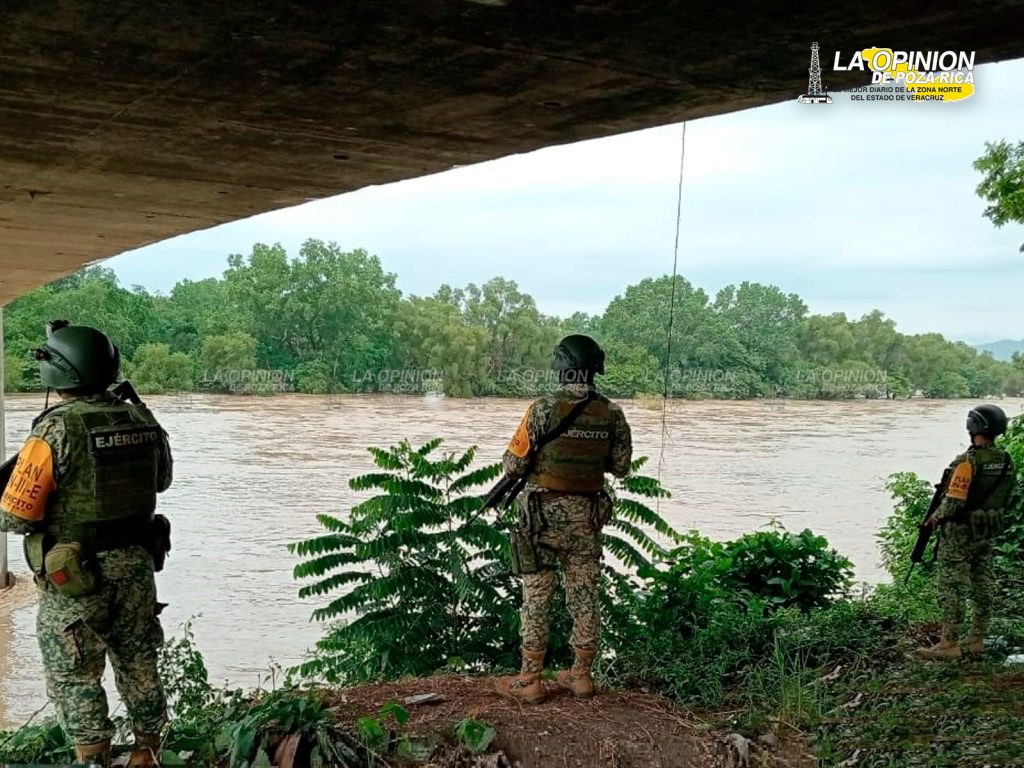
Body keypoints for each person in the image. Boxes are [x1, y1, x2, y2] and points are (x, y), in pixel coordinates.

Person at [0, 322, 173, 767]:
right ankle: (148, 753)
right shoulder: (141, 418)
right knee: (138, 659)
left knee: (74, 671)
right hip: (137, 566)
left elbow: (14, 517)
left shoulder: (54, 430)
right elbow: (162, 481)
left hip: (75, 576)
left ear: (56, 371)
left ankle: (94, 759)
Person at [494, 334, 632, 704]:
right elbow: (621, 466)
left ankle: (530, 680)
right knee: (585, 594)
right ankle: (581, 675)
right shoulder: (612, 413)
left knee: (537, 595)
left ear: (561, 365)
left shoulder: (542, 409)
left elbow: (514, 465)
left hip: (541, 519)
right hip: (586, 519)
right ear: (595, 367)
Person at [917, 404, 1016, 661]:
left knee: (952, 588)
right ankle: (976, 640)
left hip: (958, 534)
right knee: (983, 584)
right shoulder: (1006, 461)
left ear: (973, 427)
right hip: (985, 532)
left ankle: (949, 644)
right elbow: (1006, 498)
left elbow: (953, 503)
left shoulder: (966, 462)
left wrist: (933, 519)